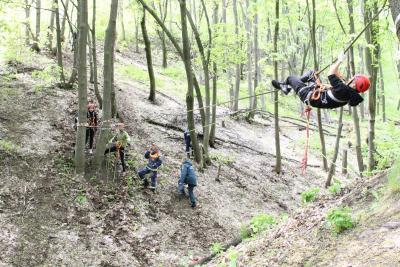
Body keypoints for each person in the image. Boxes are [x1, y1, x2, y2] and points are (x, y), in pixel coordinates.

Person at [271, 53, 370, 109]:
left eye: (353, 79)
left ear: (354, 84)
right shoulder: (349, 94)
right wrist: (337, 64)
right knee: (312, 73)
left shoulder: (343, 89)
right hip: (314, 93)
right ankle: (289, 86)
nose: (351, 79)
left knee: (290, 78)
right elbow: (337, 75)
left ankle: (287, 86)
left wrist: (339, 61)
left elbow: (331, 73)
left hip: (308, 95)